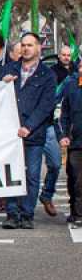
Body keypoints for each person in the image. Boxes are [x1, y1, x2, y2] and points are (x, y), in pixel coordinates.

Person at [0, 32, 57, 230]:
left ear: (39, 48)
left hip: (33, 134)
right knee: (11, 174)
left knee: (32, 176)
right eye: (23, 45)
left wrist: (29, 126)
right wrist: (3, 83)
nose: (26, 49)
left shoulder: (47, 75)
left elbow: (46, 105)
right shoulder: (10, 69)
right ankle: (12, 214)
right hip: (9, 133)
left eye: (30, 45)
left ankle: (27, 214)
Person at [58, 65, 82, 231]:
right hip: (76, 142)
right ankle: (75, 210)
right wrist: (63, 135)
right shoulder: (71, 85)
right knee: (75, 178)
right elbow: (63, 113)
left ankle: (80, 214)